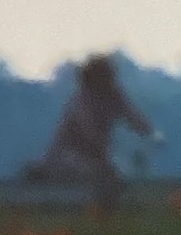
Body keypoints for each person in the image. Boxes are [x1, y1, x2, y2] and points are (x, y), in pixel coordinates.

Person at [23, 54, 156, 209]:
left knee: (110, 179)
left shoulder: (114, 95)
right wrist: (105, 157)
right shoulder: (83, 100)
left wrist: (149, 133)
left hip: (96, 157)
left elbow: (132, 115)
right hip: (70, 155)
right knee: (95, 176)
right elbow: (90, 131)